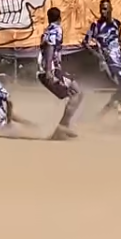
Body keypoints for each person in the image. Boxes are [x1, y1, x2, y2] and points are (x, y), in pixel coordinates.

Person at [37, 7, 84, 140]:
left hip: (54, 69)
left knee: (78, 92)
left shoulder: (47, 30)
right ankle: (62, 127)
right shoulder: (55, 30)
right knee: (75, 95)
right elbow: (50, 47)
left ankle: (64, 126)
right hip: (51, 70)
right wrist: (48, 71)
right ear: (60, 18)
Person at [82, 0, 121, 115]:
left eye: (105, 8)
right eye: (101, 9)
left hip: (119, 60)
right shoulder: (96, 25)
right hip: (108, 61)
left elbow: (120, 40)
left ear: (111, 9)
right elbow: (85, 43)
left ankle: (104, 113)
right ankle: (116, 109)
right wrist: (99, 56)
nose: (102, 11)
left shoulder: (117, 24)